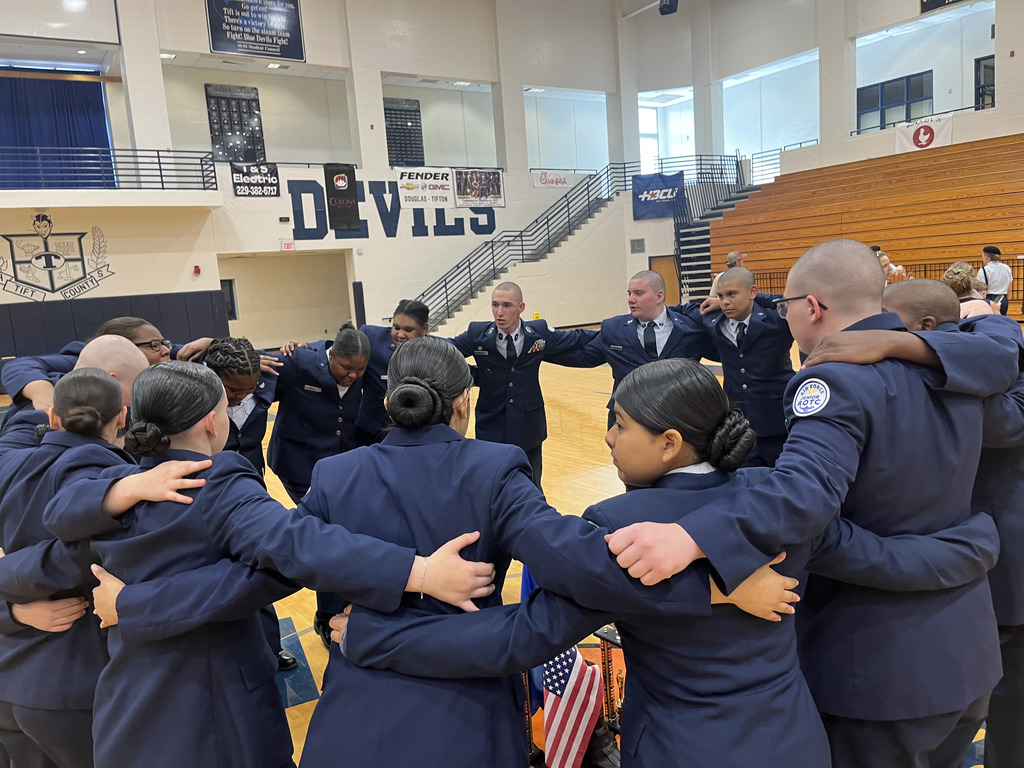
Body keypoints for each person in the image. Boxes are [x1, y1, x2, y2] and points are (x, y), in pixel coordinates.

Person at [333, 357, 999, 768]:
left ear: (671, 443)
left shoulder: (619, 526)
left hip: (684, 748)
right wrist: (975, 544)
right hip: (792, 742)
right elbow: (885, 560)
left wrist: (374, 634)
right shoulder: (778, 505)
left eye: (620, 424)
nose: (608, 436)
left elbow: (518, 638)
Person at [602, 239, 1010, 768]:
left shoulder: (834, 378)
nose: (785, 315)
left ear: (813, 306)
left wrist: (694, 535)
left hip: (877, 667)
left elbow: (804, 501)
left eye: (787, 305)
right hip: (968, 653)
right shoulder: (951, 364)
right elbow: (1000, 348)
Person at [0, 360, 496, 768]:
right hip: (218, 718)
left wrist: (124, 597)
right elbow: (298, 547)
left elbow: (47, 550)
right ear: (212, 424)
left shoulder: (112, 493)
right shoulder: (219, 483)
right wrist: (421, 572)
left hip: (126, 712)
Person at [285, 337, 740, 768]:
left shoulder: (332, 475)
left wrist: (403, 575)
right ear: (464, 402)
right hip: (465, 712)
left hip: (352, 713)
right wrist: (716, 583)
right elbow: (570, 562)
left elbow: (287, 552)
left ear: (389, 400)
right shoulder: (493, 468)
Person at [449, 282, 596, 489]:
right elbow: (448, 350)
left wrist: (612, 330)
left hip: (529, 425)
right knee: (491, 483)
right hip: (491, 424)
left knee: (532, 484)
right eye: (495, 305)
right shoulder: (477, 334)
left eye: (507, 305)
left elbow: (575, 339)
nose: (499, 312)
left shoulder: (539, 333)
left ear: (521, 307)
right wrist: (475, 376)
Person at [550, 271, 715, 429]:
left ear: (659, 296)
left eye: (638, 293)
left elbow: (727, 350)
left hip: (676, 419)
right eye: (629, 294)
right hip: (627, 419)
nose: (631, 300)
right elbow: (583, 357)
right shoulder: (614, 329)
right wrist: (537, 350)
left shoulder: (690, 330)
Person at [676, 266, 793, 466]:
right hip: (736, 422)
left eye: (732, 294)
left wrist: (761, 298)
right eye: (720, 296)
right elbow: (681, 311)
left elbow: (792, 301)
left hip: (776, 419)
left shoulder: (776, 320)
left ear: (752, 292)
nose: (725, 302)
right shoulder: (712, 319)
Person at [267, 323, 369, 503]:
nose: (353, 375)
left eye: (360, 370)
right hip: (297, 463)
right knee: (318, 516)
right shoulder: (299, 362)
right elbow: (253, 360)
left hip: (336, 462)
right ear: (333, 355)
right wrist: (212, 345)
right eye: (346, 368)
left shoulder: (359, 365)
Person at [978, 245, 1012, 316]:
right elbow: (1009, 287)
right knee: (1002, 321)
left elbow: (980, 289)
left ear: (987, 258)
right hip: (1003, 298)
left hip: (989, 299)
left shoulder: (984, 270)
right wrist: (1006, 300)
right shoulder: (1007, 268)